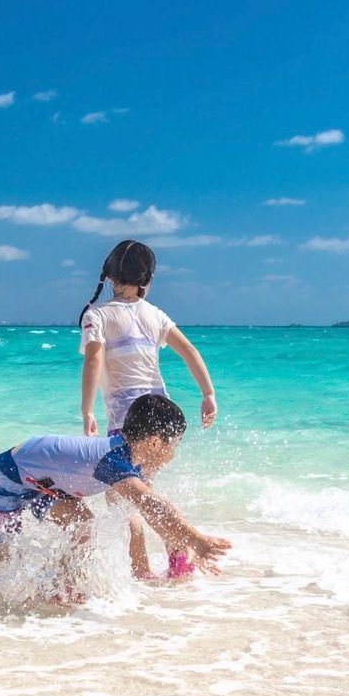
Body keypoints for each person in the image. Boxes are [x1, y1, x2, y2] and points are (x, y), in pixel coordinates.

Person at [0, 394, 229, 595]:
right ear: (152, 443)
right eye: (172, 445)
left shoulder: (128, 456)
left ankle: (64, 589)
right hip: (9, 478)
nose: (173, 454)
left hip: (44, 484)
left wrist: (186, 543)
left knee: (83, 524)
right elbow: (152, 505)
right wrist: (197, 540)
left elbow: (153, 513)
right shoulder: (115, 462)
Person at [77, 240, 218, 578]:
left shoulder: (98, 315)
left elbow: (95, 359)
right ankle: (179, 562)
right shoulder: (155, 315)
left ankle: (143, 574)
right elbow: (189, 351)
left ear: (110, 276)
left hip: (130, 426)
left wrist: (87, 411)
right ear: (147, 279)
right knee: (146, 495)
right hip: (165, 422)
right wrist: (208, 394)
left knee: (125, 505)